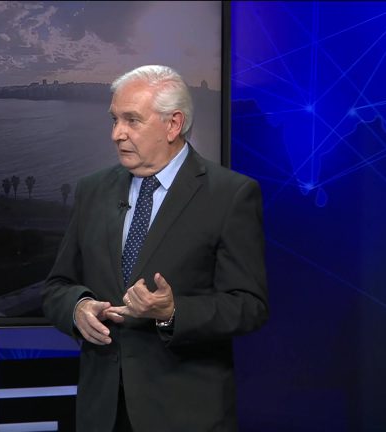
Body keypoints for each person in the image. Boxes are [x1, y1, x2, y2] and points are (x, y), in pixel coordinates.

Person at [43, 65, 269, 431]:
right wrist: (78, 307)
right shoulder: (92, 190)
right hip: (102, 413)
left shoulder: (231, 195)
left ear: (173, 124)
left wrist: (173, 311)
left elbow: (249, 306)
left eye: (132, 120)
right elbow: (57, 286)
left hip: (184, 415)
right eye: (115, 119)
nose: (117, 134)